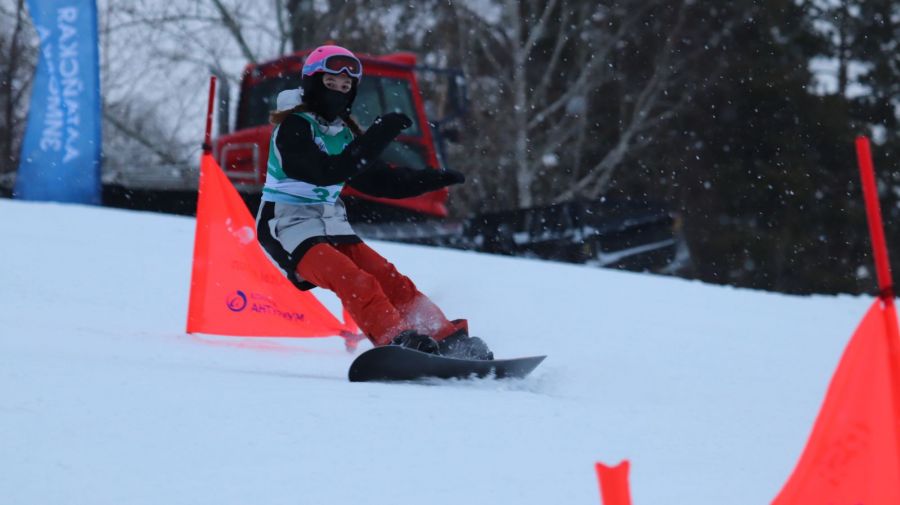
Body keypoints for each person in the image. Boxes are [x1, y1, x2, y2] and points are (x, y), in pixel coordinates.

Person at [255, 44, 493, 360]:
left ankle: (444, 338)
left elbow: (379, 181)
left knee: (389, 279)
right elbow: (325, 172)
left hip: (331, 224)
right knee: (353, 279)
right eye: (330, 85)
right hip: (287, 225)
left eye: (345, 87)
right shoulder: (294, 127)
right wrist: (379, 135)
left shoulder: (341, 133)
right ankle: (394, 338)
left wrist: (430, 178)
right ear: (312, 84)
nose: (338, 93)